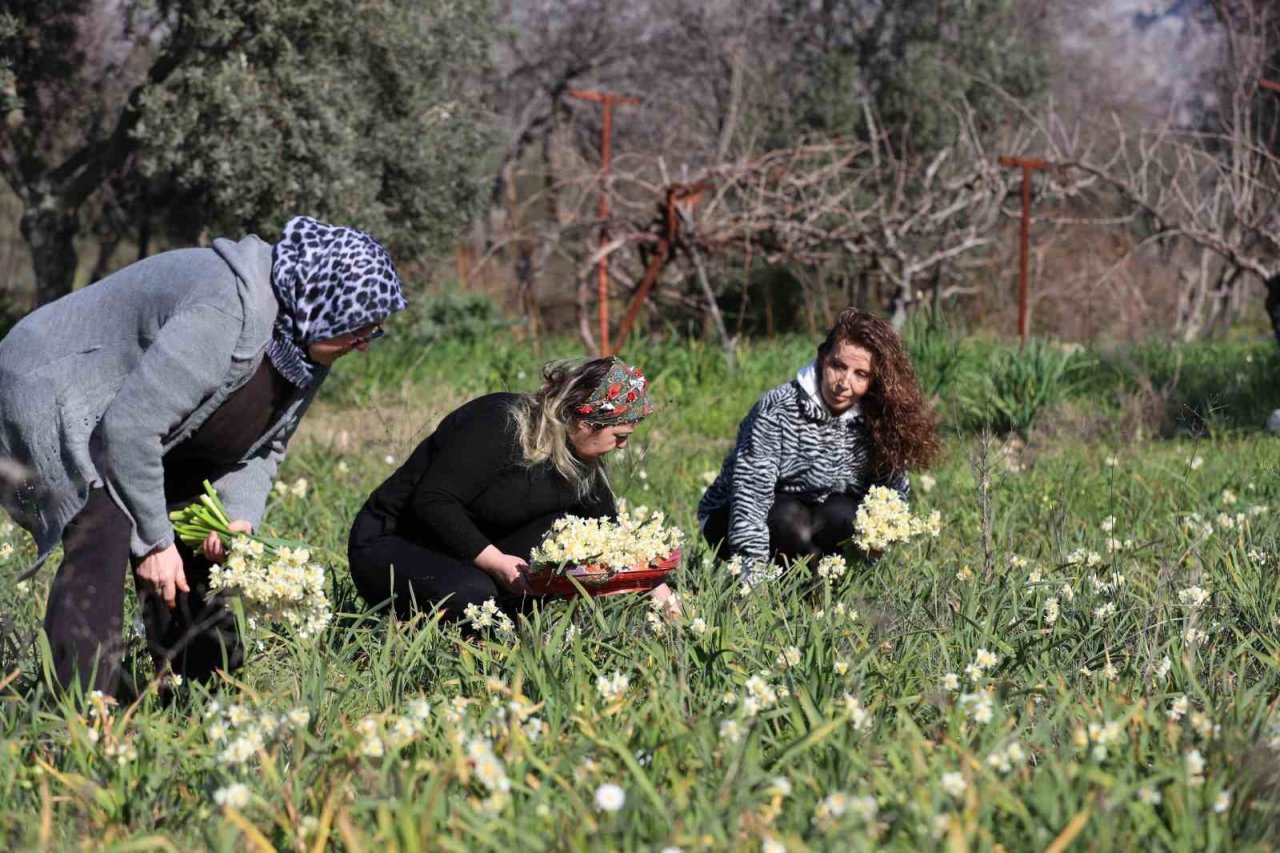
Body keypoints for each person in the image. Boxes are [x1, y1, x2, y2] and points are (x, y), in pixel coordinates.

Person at [0, 216, 407, 696]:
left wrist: (236, 519)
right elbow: (129, 431)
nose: (361, 346)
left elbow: (265, 447)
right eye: (356, 331)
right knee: (106, 526)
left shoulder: (306, 345)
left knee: (198, 530)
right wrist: (154, 543)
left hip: (135, 422)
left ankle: (203, 698)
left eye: (370, 334)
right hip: (55, 391)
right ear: (322, 301)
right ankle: (76, 714)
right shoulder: (226, 312)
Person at [348, 356, 676, 620]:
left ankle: (511, 625)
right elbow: (434, 501)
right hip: (398, 540)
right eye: (619, 436)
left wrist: (663, 597)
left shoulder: (581, 460)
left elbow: (608, 535)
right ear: (584, 422)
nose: (621, 448)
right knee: (476, 597)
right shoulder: (500, 423)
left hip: (472, 547)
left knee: (561, 547)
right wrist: (497, 563)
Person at [698, 308, 940, 572]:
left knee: (846, 517)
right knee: (789, 519)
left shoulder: (881, 419)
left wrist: (870, 559)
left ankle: (821, 588)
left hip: (822, 515)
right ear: (823, 357)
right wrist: (751, 576)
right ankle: (777, 586)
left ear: (875, 380)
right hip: (739, 515)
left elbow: (891, 499)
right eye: (838, 366)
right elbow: (751, 497)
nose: (844, 383)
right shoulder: (777, 409)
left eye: (861, 374)